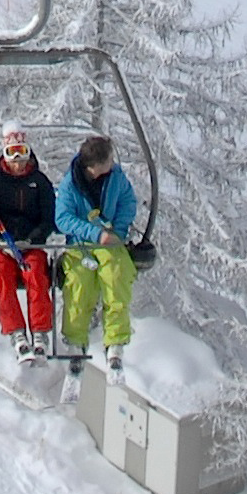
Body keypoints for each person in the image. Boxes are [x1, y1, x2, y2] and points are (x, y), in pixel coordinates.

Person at [56, 133, 145, 365]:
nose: (112, 163)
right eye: (108, 160)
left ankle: (115, 340)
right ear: (93, 167)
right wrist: (94, 233)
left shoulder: (116, 178)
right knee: (79, 284)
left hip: (110, 241)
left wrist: (119, 231)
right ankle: (76, 340)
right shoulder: (71, 185)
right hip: (81, 244)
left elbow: (127, 202)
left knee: (116, 277)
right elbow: (63, 218)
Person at [0, 124, 59, 358]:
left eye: (22, 153)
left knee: (35, 275)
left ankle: (40, 331)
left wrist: (32, 240)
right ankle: (16, 332)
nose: (17, 161)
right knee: (0, 275)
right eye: (12, 153)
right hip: (1, 244)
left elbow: (48, 218)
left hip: (29, 245)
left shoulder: (39, 182)